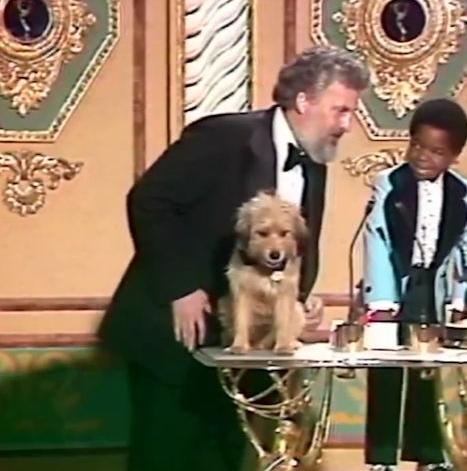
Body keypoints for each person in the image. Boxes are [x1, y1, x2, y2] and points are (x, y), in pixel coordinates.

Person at [97, 45, 369, 471]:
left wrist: (295, 302)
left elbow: (293, 246)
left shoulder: (314, 159)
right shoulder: (225, 138)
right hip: (175, 341)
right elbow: (149, 200)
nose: (347, 125)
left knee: (224, 460)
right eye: (341, 111)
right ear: (304, 101)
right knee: (166, 458)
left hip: (242, 355)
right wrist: (182, 288)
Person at [361, 98, 467, 471]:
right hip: (398, 281)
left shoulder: (466, 193)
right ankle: (381, 458)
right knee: (386, 364)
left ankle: (427, 454)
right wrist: (381, 300)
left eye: (436, 151)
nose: (422, 157)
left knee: (428, 367)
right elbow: (376, 239)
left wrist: (463, 299)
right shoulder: (389, 183)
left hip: (435, 287)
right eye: (417, 145)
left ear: (454, 156)